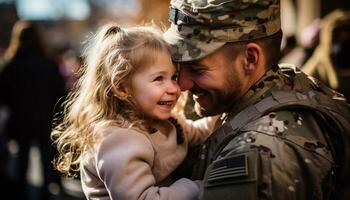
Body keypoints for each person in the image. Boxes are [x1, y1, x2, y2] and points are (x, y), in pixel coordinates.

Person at [164, 0, 350, 199]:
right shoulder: (285, 84)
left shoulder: (256, 156)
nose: (181, 84)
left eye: (197, 69)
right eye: (179, 66)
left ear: (250, 59)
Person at [51, 23, 218, 200]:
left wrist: (222, 113)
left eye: (174, 77)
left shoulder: (163, 122)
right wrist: (193, 187)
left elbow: (197, 132)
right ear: (122, 87)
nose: (173, 88)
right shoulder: (118, 139)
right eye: (159, 78)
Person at [0, 21, 66, 200]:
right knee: (47, 161)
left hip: (20, 122)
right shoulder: (48, 64)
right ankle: (46, 194)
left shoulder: (11, 65)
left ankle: (21, 194)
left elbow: (3, 96)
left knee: (22, 163)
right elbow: (60, 94)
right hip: (44, 121)